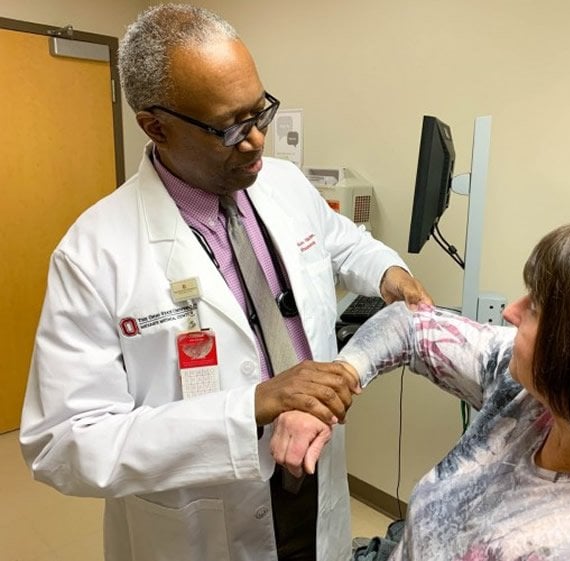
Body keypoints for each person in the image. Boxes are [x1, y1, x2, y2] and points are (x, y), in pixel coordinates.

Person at [19, 4, 430, 561]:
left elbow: (340, 239)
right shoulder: (95, 252)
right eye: (230, 127)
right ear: (155, 125)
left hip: (314, 480)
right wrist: (251, 406)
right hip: (202, 517)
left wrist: (389, 273)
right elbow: (63, 443)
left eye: (260, 113)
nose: (257, 140)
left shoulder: (283, 185)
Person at [274, 221, 570, 560]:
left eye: (537, 307)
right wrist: (332, 384)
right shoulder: (551, 390)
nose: (511, 312)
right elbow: (409, 324)